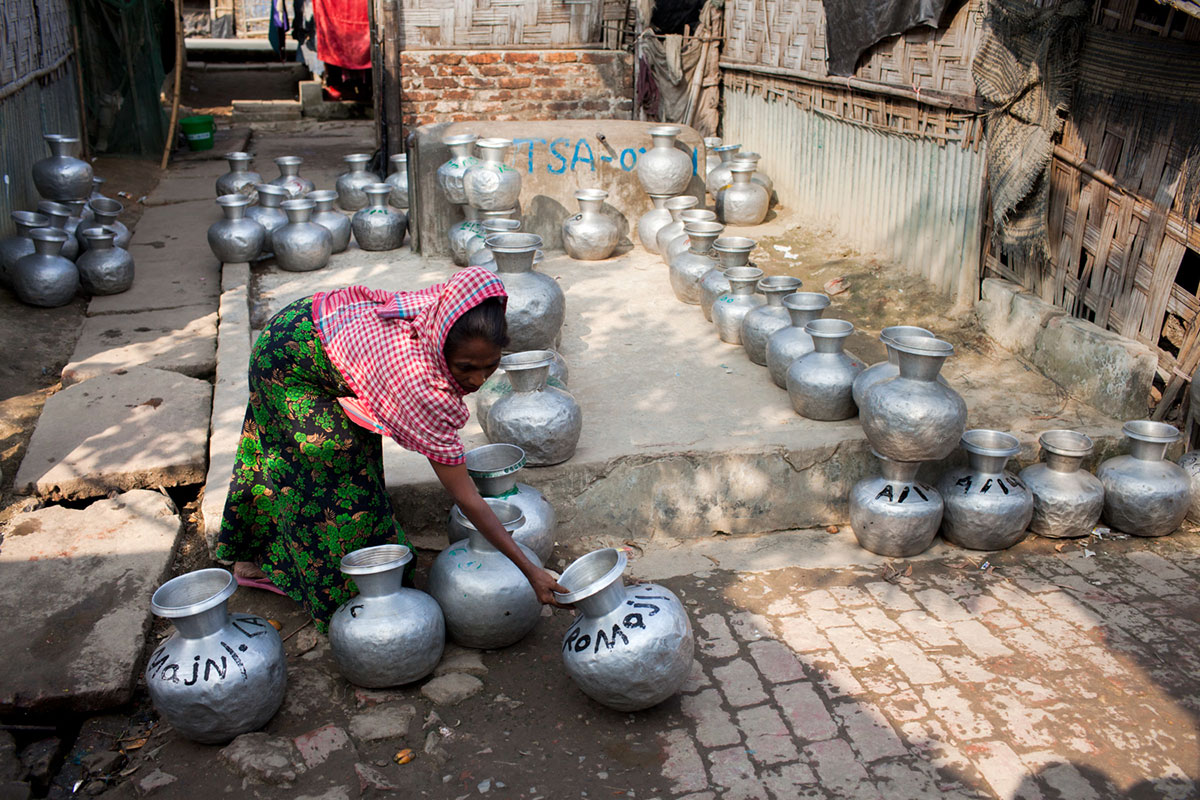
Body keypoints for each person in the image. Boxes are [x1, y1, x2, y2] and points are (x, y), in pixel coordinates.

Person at [215, 266, 565, 630]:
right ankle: (343, 600)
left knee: (354, 455)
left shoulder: (451, 315)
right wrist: (531, 570)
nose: (478, 379)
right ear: (440, 346)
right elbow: (468, 498)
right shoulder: (419, 386)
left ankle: (251, 557)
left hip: (317, 330)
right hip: (288, 361)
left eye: (490, 365)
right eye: (466, 367)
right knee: (336, 487)